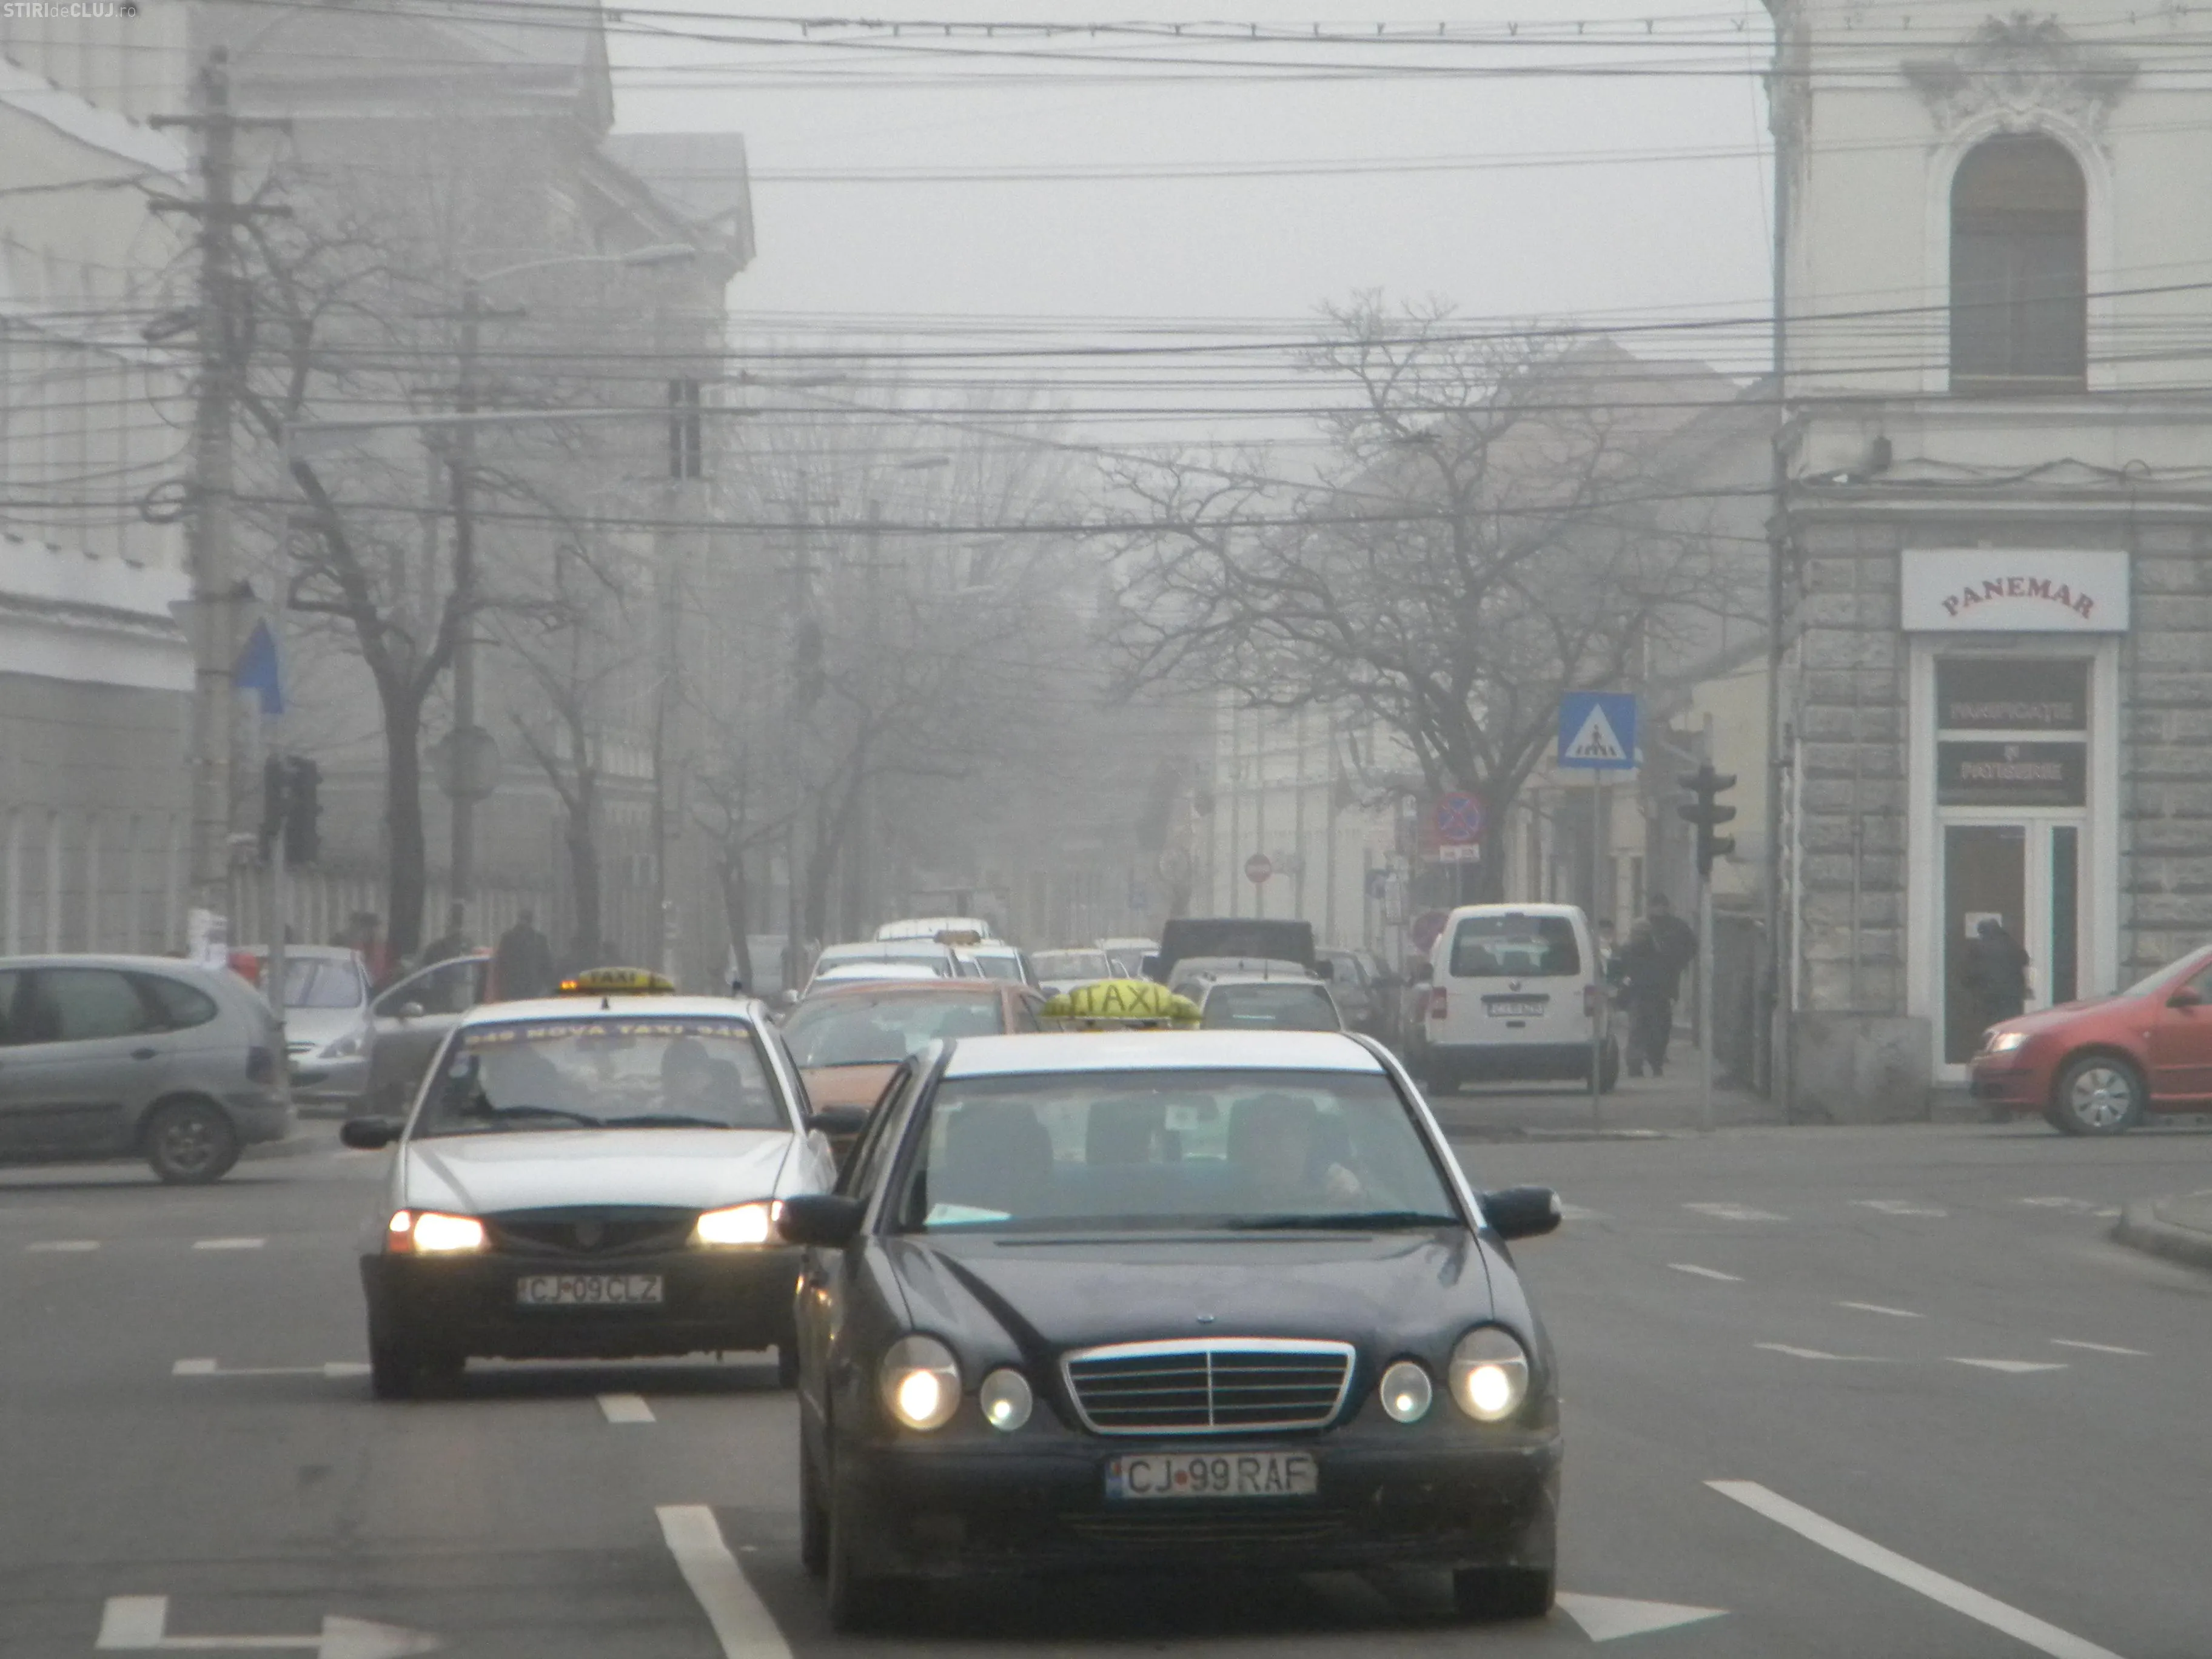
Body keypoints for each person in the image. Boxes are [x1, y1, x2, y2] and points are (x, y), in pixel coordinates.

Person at [1613, 919, 1682, 1078]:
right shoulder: (1627, 951)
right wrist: (1622, 990)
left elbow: (1670, 974)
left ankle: (1655, 1063)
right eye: (1637, 933)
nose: (1639, 937)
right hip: (1637, 995)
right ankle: (1635, 1065)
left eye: (1642, 934)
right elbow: (1620, 974)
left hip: (1657, 997)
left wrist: (1672, 993)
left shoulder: (1660, 952)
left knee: (1657, 1033)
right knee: (1637, 1031)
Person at [1962, 917, 2031, 1030]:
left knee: (1989, 1028)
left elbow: (1968, 973)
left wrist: (1971, 988)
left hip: (1987, 997)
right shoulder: (2010, 944)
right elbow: (2024, 960)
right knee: (2009, 1027)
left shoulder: (1978, 948)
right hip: (2010, 996)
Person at [495, 908, 556, 1001]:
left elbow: (500, 962)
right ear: (532, 921)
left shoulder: (508, 938)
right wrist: (550, 984)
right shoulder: (539, 939)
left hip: (513, 985)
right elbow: (546, 964)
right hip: (531, 985)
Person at [422, 902, 472, 968]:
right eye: (453, 922)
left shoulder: (472, 951)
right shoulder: (434, 950)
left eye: (459, 923)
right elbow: (424, 971)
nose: (457, 929)